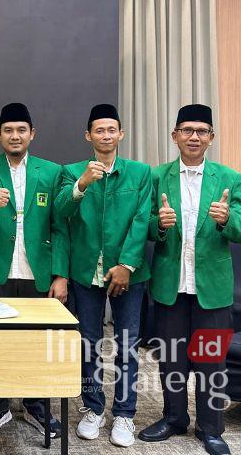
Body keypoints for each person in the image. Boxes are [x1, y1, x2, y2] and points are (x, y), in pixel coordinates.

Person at [138, 104, 241, 455]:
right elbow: (144, 226)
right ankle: (174, 419)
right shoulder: (157, 176)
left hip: (212, 289)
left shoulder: (230, 178)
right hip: (170, 286)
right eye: (187, 130)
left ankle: (211, 428)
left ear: (211, 138)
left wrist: (226, 219)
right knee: (172, 359)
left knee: (210, 362)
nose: (194, 137)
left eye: (202, 131)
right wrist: (159, 225)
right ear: (175, 136)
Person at [54, 104, 151, 448]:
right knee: (88, 342)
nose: (106, 135)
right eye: (99, 130)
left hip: (128, 273)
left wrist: (127, 264)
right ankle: (93, 407)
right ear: (88, 135)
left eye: (112, 129)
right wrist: (82, 184)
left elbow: (142, 219)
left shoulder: (140, 173)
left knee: (127, 344)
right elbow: (61, 212)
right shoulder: (71, 171)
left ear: (120, 134)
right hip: (86, 272)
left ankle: (124, 413)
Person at [0, 103, 68, 437]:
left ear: (32, 134)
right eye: (8, 130)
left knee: (38, 344)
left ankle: (36, 406)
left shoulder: (51, 171)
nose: (15, 136)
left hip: (38, 272)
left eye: (21, 130)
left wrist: (61, 274)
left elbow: (60, 226)